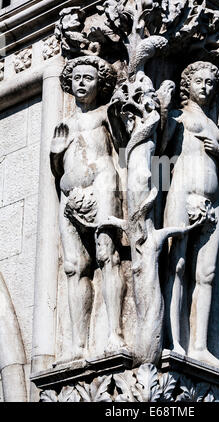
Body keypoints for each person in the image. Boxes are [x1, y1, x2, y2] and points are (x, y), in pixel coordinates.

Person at [50, 56, 125, 360]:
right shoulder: (64, 124)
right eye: (77, 77)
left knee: (107, 256)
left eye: (88, 78)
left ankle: (115, 333)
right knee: (73, 266)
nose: (81, 82)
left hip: (102, 186)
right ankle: (77, 344)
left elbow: (124, 143)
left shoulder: (105, 113)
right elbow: (57, 170)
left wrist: (120, 110)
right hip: (70, 195)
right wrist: (55, 154)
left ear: (99, 84)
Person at [163, 61, 219, 367]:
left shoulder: (216, 126)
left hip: (212, 201)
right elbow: (159, 158)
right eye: (199, 81)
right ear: (187, 84)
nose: (205, 87)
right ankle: (174, 340)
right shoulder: (178, 116)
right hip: (181, 194)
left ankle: (199, 345)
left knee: (207, 274)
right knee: (176, 266)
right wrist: (157, 195)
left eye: (211, 83)